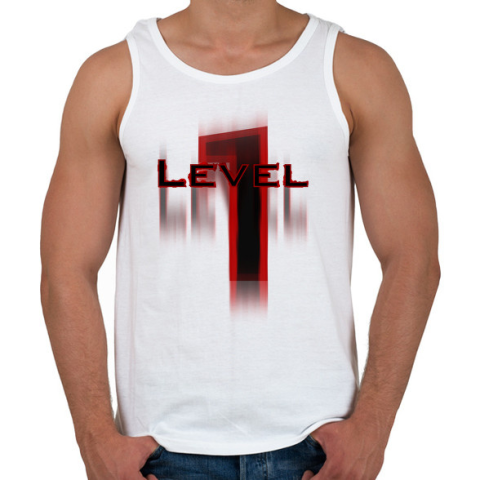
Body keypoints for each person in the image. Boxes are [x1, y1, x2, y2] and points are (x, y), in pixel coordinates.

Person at [39, 0, 440, 479]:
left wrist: (373, 425)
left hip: (317, 449)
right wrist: (94, 437)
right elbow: (66, 268)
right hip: (159, 452)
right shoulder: (115, 76)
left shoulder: (355, 70)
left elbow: (413, 257)